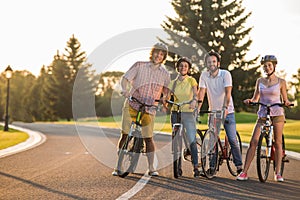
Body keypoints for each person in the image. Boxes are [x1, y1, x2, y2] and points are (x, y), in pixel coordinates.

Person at [112, 43, 170, 176]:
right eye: (157, 52)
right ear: (152, 53)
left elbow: (166, 92)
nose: (158, 56)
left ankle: (151, 168)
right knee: (125, 134)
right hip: (133, 104)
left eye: (161, 54)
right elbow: (125, 79)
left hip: (149, 108)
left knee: (148, 138)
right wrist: (124, 90)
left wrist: (164, 100)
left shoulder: (165, 74)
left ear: (164, 57)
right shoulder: (139, 65)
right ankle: (118, 166)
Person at [237, 55, 292, 182]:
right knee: (254, 142)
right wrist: (251, 101)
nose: (267, 68)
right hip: (263, 114)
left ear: (274, 66)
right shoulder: (260, 81)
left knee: (277, 142)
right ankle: (244, 172)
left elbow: (285, 98)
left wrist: (287, 103)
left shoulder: (281, 82)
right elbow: (256, 97)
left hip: (277, 113)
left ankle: (278, 172)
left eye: (269, 65)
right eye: (265, 66)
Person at [197, 50, 243, 175]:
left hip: (228, 111)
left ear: (218, 63)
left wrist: (225, 108)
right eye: (209, 62)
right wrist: (198, 108)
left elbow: (228, 93)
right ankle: (212, 168)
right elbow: (201, 93)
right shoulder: (204, 75)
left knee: (232, 139)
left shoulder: (225, 74)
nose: (211, 64)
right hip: (213, 112)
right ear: (206, 64)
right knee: (212, 139)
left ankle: (239, 166)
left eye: (213, 61)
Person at [165, 57, 200, 177]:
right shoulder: (172, 83)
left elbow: (196, 95)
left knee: (192, 140)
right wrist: (164, 101)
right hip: (176, 113)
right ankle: (177, 167)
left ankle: (196, 166)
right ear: (178, 68)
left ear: (188, 68)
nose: (183, 68)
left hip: (188, 113)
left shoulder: (191, 81)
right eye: (181, 66)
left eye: (185, 66)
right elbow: (167, 96)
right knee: (176, 140)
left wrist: (194, 101)